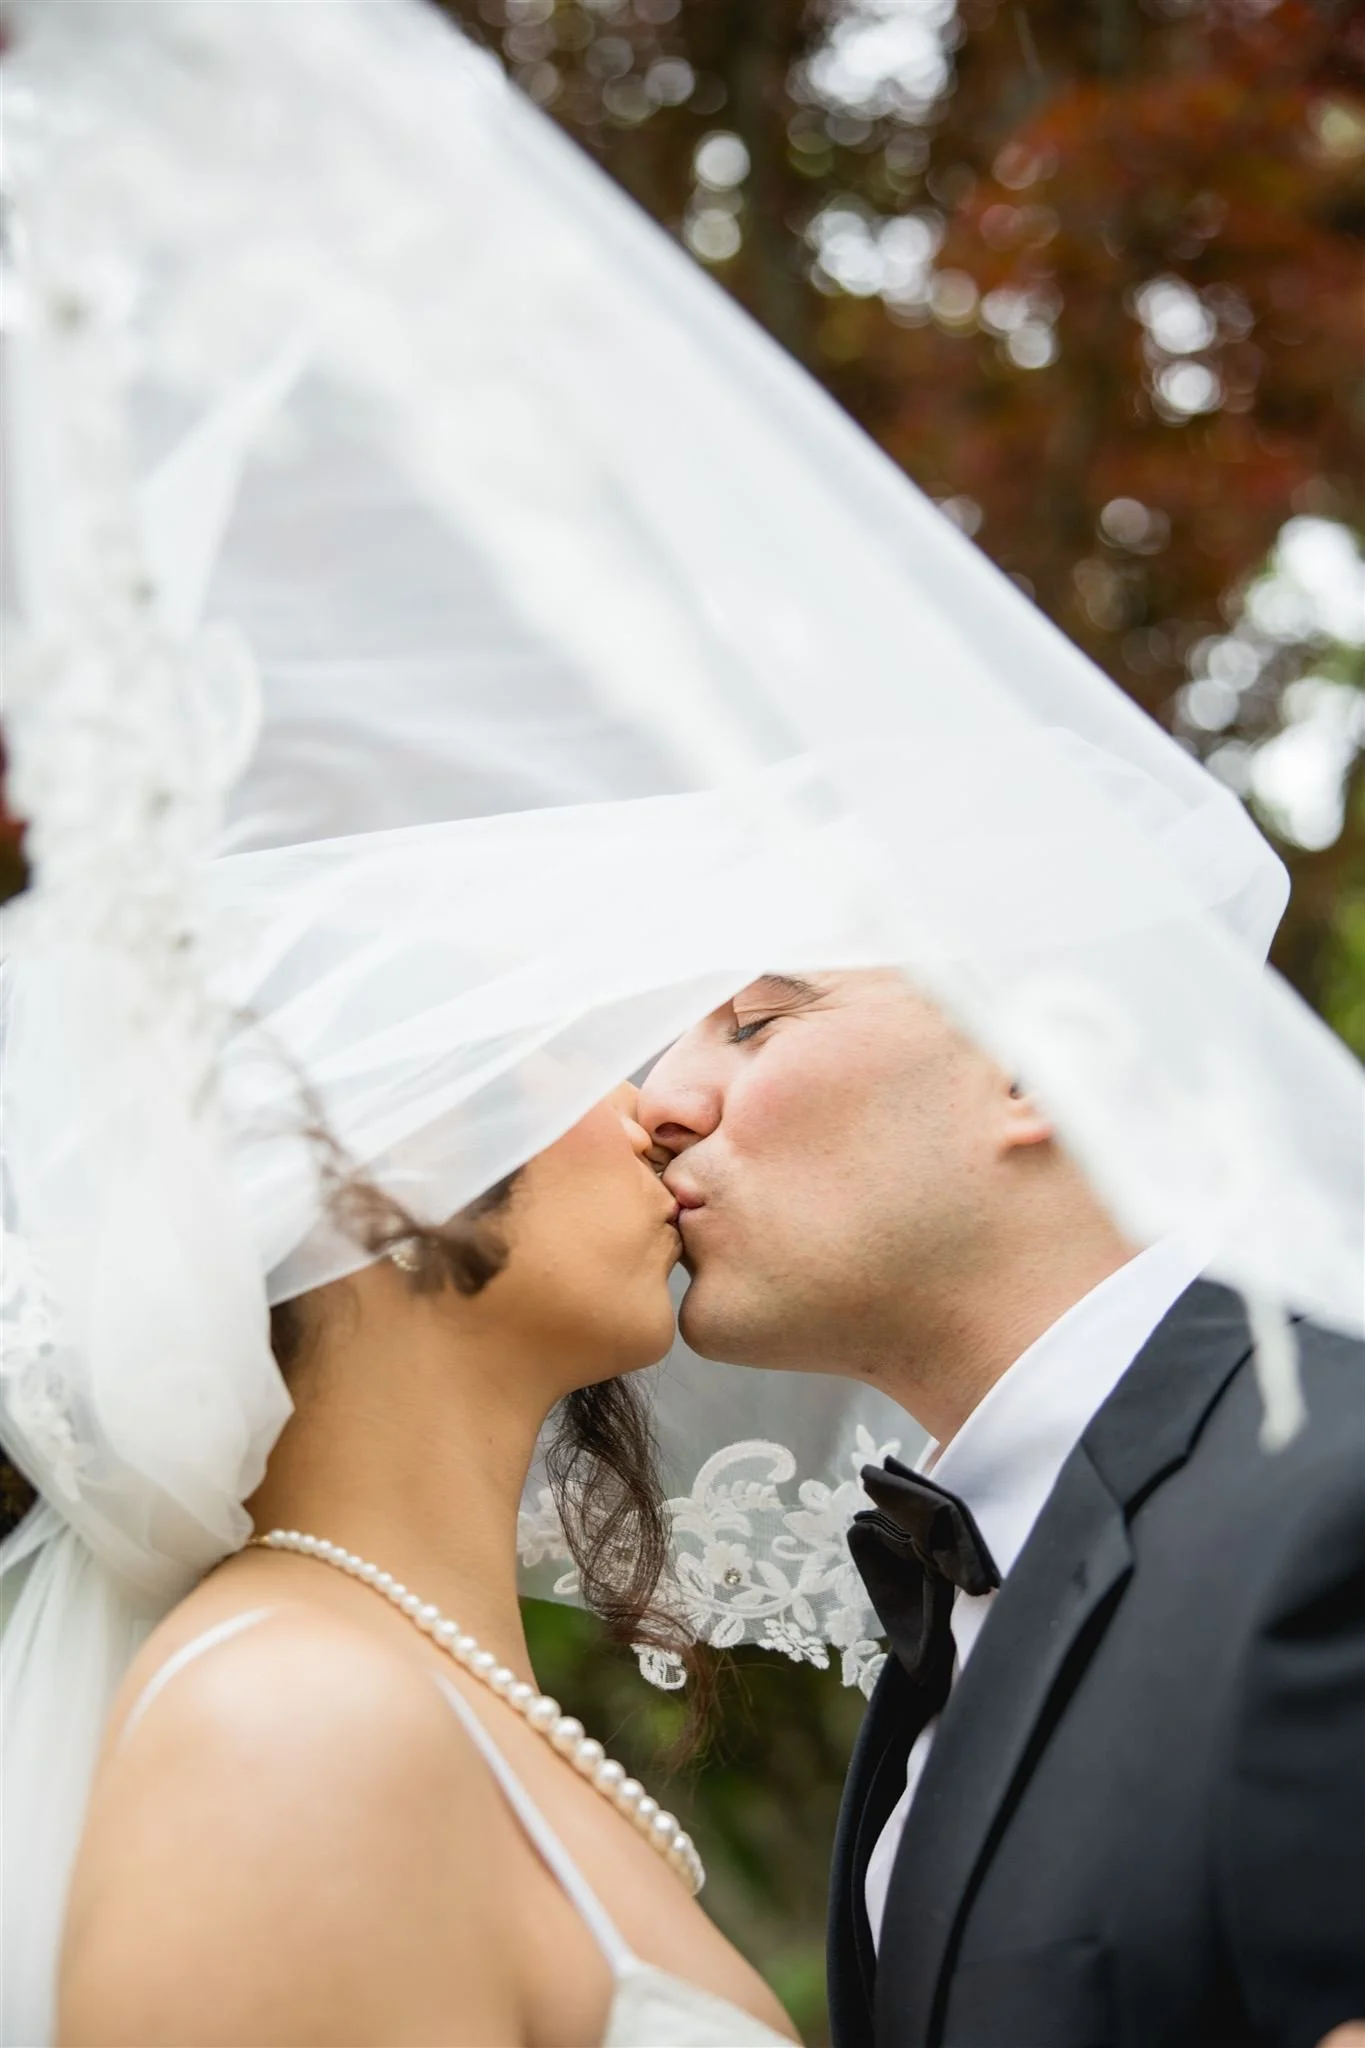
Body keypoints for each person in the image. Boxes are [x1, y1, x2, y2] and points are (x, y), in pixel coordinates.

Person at [641, 967, 1365, 2048]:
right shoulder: (974, 1579)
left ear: (1036, 1066)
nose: (660, 1101)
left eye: (755, 1022)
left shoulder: (1335, 1497)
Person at [55, 1084, 795, 2048]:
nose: (649, 1108)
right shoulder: (290, 1721)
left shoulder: (395, 1689)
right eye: (563, 1051)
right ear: (387, 1171)